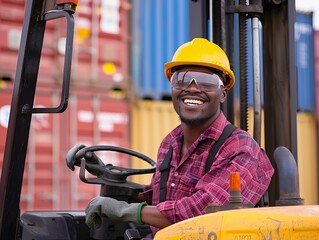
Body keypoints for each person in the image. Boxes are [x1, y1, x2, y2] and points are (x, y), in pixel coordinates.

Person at [83, 38, 274, 238]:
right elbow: (157, 198)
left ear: (223, 93)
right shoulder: (170, 143)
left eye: (206, 81)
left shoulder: (239, 148)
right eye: (182, 79)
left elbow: (201, 212)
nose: (192, 88)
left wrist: (125, 211)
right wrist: (108, 175)